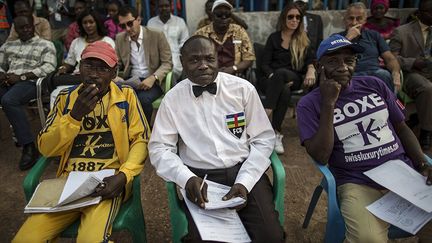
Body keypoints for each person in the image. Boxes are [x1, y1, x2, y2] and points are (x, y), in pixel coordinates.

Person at [297, 34, 432, 243]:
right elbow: (321, 156)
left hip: (402, 174)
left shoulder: (374, 84)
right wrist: (328, 103)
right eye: (333, 61)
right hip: (357, 181)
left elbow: (402, 127)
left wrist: (422, 163)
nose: (343, 67)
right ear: (319, 65)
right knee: (367, 239)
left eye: (349, 60)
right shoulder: (309, 104)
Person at [149, 35, 284, 242]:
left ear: (218, 60)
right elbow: (160, 148)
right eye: (194, 60)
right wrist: (186, 178)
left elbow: (264, 138)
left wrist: (245, 181)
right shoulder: (172, 100)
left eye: (209, 59)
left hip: (244, 171)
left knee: (271, 237)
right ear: (182, 62)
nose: (203, 66)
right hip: (200, 180)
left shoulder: (242, 89)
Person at [12, 40, 149, 242]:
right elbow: (46, 148)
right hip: (68, 184)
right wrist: (73, 117)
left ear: (114, 73)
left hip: (107, 183)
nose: (94, 74)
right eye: (89, 66)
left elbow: (141, 140)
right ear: (79, 68)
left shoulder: (125, 96)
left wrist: (123, 175)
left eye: (102, 69)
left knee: (90, 239)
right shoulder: (65, 99)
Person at [0, 15, 56, 170]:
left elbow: (49, 67)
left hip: (30, 82)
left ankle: (29, 146)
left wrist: (21, 77)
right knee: (8, 98)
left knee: (8, 100)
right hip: (8, 81)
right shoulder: (8, 46)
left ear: (33, 26)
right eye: (21, 28)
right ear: (16, 30)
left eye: (27, 26)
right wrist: (2, 74)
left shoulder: (45, 44)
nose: (25, 30)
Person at [260, 3, 315, 154]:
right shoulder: (273, 38)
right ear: (284, 18)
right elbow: (264, 64)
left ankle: (265, 113)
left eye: (298, 17)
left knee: (282, 74)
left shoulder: (303, 40)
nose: (294, 20)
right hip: (272, 80)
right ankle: (276, 133)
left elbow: (311, 61)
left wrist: (311, 69)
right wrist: (274, 78)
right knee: (283, 89)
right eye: (290, 17)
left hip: (293, 78)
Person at [116, 6, 172, 124]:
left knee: (142, 100)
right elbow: (117, 63)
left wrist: (153, 78)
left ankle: (145, 131)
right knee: (118, 100)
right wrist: (114, 75)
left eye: (130, 23)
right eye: (122, 26)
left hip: (154, 81)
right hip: (131, 80)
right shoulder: (120, 38)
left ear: (139, 20)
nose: (127, 29)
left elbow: (167, 63)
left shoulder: (156, 35)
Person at [389, 0, 432, 150]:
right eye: (429, 11)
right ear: (419, 13)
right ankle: (426, 132)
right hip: (411, 73)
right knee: (427, 88)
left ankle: (417, 119)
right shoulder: (402, 31)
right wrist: (413, 62)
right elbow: (391, 58)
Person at [50, 10, 115, 108]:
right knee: (57, 93)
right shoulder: (76, 42)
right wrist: (63, 68)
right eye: (85, 23)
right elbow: (70, 62)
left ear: (97, 23)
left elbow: (111, 65)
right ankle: (61, 121)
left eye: (91, 22)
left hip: (99, 81)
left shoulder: (107, 41)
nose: (88, 25)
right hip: (78, 78)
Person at [336, 2, 401, 91]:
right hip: (351, 75)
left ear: (364, 20)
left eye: (359, 19)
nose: (354, 22)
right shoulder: (336, 38)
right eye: (351, 18)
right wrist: (348, 38)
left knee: (384, 74)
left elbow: (390, 59)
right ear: (345, 20)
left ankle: (390, 104)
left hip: (374, 73)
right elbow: (331, 57)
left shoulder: (374, 35)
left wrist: (395, 72)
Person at [195, 0, 255, 76]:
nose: (223, 17)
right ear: (212, 16)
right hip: (209, 76)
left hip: (235, 75)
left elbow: (249, 58)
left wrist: (233, 69)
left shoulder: (239, 31)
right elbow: (195, 58)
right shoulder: (201, 33)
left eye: (227, 15)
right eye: (219, 15)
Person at [147, 0, 189, 82]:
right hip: (158, 59)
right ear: (157, 8)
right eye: (161, 6)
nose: (164, 8)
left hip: (176, 57)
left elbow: (184, 42)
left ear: (170, 7)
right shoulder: (151, 23)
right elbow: (149, 43)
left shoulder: (180, 21)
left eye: (166, 6)